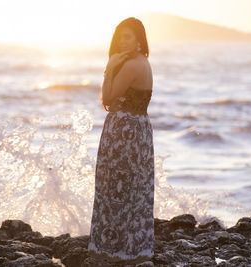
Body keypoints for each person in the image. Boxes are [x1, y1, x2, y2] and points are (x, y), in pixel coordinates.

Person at [87, 17, 155, 266]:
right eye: (119, 37)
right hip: (138, 131)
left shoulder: (132, 65)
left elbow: (108, 97)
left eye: (128, 37)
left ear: (139, 40)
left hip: (124, 133)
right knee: (133, 191)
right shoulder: (143, 62)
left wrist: (109, 67)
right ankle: (135, 248)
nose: (122, 42)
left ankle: (115, 250)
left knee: (115, 188)